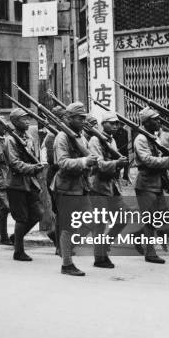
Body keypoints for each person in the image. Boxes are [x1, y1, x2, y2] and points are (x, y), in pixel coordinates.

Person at [52, 102, 107, 276]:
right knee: (69, 226)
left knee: (91, 221)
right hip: (66, 188)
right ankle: (66, 264)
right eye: (79, 117)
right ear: (68, 118)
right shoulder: (62, 137)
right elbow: (62, 162)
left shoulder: (80, 137)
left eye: (84, 117)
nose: (83, 120)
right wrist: (84, 162)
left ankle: (64, 246)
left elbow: (88, 160)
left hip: (81, 186)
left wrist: (92, 164)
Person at [133, 107, 169, 264]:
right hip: (145, 183)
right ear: (146, 122)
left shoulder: (154, 137)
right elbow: (147, 160)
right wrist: (168, 160)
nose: (159, 122)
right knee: (151, 219)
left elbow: (159, 156)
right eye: (155, 119)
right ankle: (150, 253)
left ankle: (138, 234)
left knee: (161, 216)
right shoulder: (141, 139)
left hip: (157, 182)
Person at [87, 112, 128, 266]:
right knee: (100, 223)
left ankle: (105, 244)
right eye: (111, 123)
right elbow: (99, 164)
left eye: (117, 123)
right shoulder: (95, 140)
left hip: (112, 187)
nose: (115, 126)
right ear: (103, 124)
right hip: (98, 187)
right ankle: (99, 257)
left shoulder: (111, 140)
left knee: (124, 217)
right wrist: (117, 164)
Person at [5, 108, 45, 261]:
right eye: (23, 119)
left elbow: (32, 156)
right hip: (16, 183)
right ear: (15, 122)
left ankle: (16, 237)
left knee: (37, 214)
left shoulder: (28, 137)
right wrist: (33, 168)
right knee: (21, 218)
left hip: (30, 182)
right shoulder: (10, 140)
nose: (28, 121)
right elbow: (14, 163)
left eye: (28, 118)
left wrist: (36, 165)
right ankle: (18, 251)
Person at [40, 105, 65, 250]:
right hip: (56, 176)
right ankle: (59, 244)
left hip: (63, 176)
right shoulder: (51, 136)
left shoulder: (61, 134)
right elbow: (52, 161)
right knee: (61, 211)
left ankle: (55, 235)